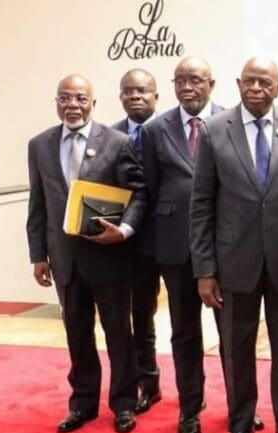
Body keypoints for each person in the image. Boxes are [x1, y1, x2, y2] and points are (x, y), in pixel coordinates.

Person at [190, 57, 278, 433]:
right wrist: (205, 269)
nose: (257, 88)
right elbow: (201, 204)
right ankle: (240, 422)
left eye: (265, 82)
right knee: (236, 347)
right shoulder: (214, 130)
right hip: (233, 263)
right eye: (250, 81)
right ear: (239, 84)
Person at [26, 74, 147, 433]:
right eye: (65, 98)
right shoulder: (40, 145)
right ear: (57, 102)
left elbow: (138, 193)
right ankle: (82, 404)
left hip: (108, 258)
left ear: (93, 103)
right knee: (77, 333)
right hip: (65, 260)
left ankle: (124, 404)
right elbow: (38, 203)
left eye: (80, 98)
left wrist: (124, 230)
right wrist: (38, 255)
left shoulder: (117, 143)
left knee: (118, 334)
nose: (73, 105)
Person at [139, 56, 224, 433]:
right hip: (175, 247)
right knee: (184, 332)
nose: (187, 87)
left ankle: (240, 407)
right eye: (180, 80)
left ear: (211, 83)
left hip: (223, 247)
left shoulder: (228, 121)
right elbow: (150, 188)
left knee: (231, 334)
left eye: (195, 80)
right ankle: (190, 407)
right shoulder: (155, 130)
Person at [111, 69, 162, 414]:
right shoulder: (109, 136)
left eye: (142, 90)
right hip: (129, 243)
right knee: (140, 315)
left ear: (156, 95)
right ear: (120, 97)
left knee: (189, 320)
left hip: (174, 238)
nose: (135, 96)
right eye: (128, 91)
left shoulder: (172, 130)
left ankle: (197, 391)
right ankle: (148, 382)